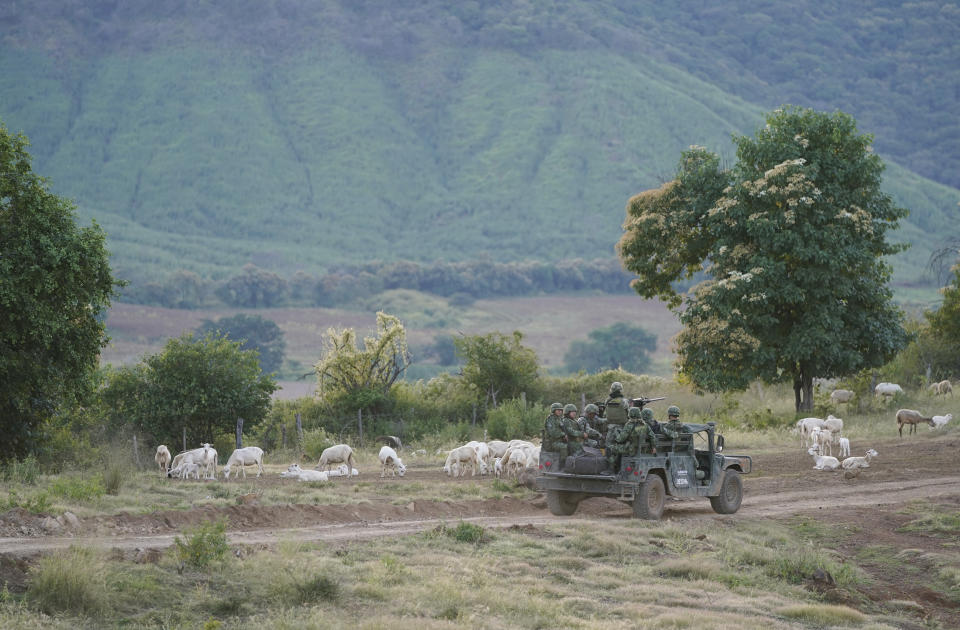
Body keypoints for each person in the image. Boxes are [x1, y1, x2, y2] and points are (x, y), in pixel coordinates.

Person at [606, 406, 653, 471]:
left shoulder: (629, 425)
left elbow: (620, 439)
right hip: (643, 449)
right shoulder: (644, 424)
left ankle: (611, 469)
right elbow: (652, 436)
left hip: (631, 450)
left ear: (630, 414)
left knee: (609, 448)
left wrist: (616, 437)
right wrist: (654, 447)